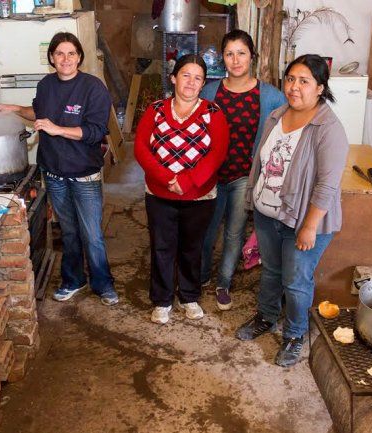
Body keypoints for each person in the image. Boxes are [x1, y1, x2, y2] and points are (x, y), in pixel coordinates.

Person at [235, 54, 348, 367]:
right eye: (290, 79)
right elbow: (260, 162)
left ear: (320, 88)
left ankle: (296, 335)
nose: (294, 87)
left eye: (304, 81)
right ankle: (267, 317)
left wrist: (310, 226)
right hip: (267, 214)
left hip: (302, 221)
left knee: (296, 281)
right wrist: (252, 201)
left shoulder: (328, 128)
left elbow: (327, 185)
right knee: (271, 271)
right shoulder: (277, 115)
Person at [0, 32, 118, 306]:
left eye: (71, 53)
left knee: (92, 234)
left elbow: (95, 132)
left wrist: (57, 129)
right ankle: (74, 279)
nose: (65, 59)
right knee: (69, 231)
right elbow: (38, 112)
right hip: (54, 173)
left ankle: (103, 283)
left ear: (79, 57)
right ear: (51, 58)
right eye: (60, 53)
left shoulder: (93, 87)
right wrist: (14, 108)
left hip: (84, 174)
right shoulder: (46, 85)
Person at [134, 54, 229, 325]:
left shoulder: (213, 113)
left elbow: (217, 153)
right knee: (162, 247)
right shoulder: (155, 109)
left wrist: (186, 182)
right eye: (186, 75)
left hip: (199, 196)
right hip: (159, 194)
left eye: (198, 77)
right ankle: (162, 300)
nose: (191, 82)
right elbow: (141, 148)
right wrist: (167, 178)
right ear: (174, 78)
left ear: (203, 84)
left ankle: (189, 296)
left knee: (192, 247)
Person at [199, 29, 287, 311]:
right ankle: (198, 277)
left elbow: (281, 137)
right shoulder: (210, 91)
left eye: (241, 53)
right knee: (206, 230)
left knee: (234, 232)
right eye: (229, 54)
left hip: (244, 176)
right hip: (211, 176)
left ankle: (223, 282)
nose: (235, 60)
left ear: (252, 57)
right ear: (222, 58)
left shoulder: (270, 96)